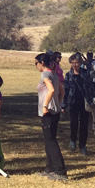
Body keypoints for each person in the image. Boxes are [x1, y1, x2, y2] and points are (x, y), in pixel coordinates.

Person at [35, 52, 67, 181]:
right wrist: (58, 103)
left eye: (36, 63)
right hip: (55, 111)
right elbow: (61, 91)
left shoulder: (45, 74)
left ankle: (60, 171)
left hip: (48, 113)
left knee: (51, 141)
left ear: (42, 63)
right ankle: (50, 169)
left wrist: (46, 106)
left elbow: (52, 90)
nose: (36, 66)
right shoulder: (54, 74)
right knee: (49, 140)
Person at [63, 53, 91, 155]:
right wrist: (63, 104)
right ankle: (73, 140)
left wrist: (93, 101)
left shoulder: (86, 73)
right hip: (73, 102)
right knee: (73, 123)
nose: (75, 65)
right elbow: (65, 90)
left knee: (84, 125)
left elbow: (90, 88)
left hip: (85, 102)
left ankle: (83, 145)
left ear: (80, 63)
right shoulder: (68, 75)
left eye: (77, 63)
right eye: (73, 62)